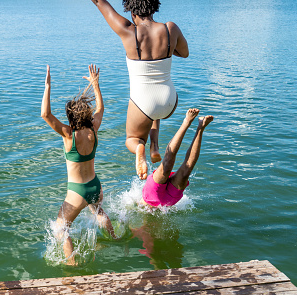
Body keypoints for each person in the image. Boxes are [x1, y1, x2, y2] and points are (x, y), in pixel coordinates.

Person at [91, 0, 189, 180]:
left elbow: (99, 2)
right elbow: (184, 53)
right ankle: (154, 146)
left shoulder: (128, 30)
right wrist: (166, 48)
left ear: (132, 12)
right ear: (154, 7)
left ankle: (140, 148)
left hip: (143, 101)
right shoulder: (170, 28)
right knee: (155, 115)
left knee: (132, 139)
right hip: (169, 99)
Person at [41, 64, 117, 265]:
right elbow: (100, 108)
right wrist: (95, 84)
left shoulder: (68, 135)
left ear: (70, 118)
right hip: (95, 185)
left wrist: (47, 85)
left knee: (60, 228)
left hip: (77, 192)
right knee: (99, 212)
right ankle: (115, 239)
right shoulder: (94, 129)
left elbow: (45, 115)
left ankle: (71, 263)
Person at [140, 108, 213, 207]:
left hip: (151, 195)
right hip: (170, 200)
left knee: (167, 164)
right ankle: (201, 127)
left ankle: (186, 122)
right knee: (186, 170)